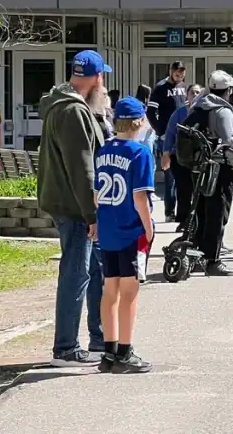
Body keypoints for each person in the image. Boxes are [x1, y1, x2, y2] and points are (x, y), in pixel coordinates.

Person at [37, 49, 110, 367]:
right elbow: (82, 169)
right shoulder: (73, 111)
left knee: (93, 270)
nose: (104, 84)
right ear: (95, 79)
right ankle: (65, 348)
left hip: (70, 202)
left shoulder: (64, 105)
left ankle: (97, 340)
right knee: (76, 272)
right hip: (74, 206)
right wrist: (91, 215)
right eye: (102, 77)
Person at [94, 96, 155, 374]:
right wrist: (149, 226)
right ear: (140, 121)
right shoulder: (140, 152)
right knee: (130, 291)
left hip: (107, 227)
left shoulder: (103, 150)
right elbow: (140, 195)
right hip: (130, 229)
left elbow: (96, 194)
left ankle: (108, 350)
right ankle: (125, 351)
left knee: (111, 289)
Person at [190, 70, 233, 276]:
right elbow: (229, 140)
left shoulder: (198, 106)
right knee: (219, 213)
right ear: (228, 91)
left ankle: (196, 255)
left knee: (202, 212)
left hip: (199, 166)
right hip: (219, 168)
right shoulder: (223, 111)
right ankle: (213, 260)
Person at [148, 62, 187, 223]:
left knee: (182, 177)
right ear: (171, 71)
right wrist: (161, 131)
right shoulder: (161, 87)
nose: (179, 75)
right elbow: (150, 112)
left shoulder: (184, 87)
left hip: (184, 138)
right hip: (167, 137)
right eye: (177, 72)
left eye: (182, 73)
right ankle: (169, 212)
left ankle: (182, 212)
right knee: (170, 176)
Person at [160, 84, 202, 230]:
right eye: (192, 92)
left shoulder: (204, 113)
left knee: (199, 192)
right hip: (180, 158)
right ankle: (184, 221)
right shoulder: (179, 113)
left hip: (199, 159)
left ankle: (197, 222)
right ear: (187, 96)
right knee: (184, 190)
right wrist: (166, 154)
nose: (195, 95)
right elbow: (170, 134)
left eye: (198, 92)